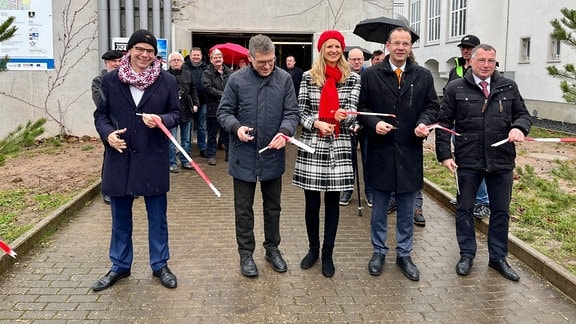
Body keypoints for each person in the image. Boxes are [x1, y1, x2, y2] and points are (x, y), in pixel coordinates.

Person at [92, 29, 180, 291]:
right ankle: (119, 265)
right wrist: (108, 135)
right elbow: (101, 116)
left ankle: (160, 264)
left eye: (150, 51)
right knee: (120, 216)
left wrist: (162, 120)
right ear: (129, 51)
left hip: (152, 156)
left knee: (157, 216)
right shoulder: (110, 81)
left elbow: (177, 114)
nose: (145, 55)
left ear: (156, 55)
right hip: (120, 157)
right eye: (140, 49)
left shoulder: (166, 81)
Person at [436, 44, 532, 281]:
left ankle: (498, 258)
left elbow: (523, 115)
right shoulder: (456, 88)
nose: (486, 65)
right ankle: (467, 254)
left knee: (500, 211)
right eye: (482, 60)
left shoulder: (508, 86)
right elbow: (444, 123)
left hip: (501, 161)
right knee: (465, 209)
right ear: (471, 61)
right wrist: (445, 155)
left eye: (491, 60)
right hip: (468, 160)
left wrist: (520, 128)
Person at [357, 27, 439, 281]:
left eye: (406, 43)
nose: (402, 47)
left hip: (409, 149)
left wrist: (424, 122)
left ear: (411, 47)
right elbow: (362, 107)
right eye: (397, 43)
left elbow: (432, 105)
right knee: (380, 208)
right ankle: (379, 251)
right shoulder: (371, 75)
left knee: (406, 209)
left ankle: (404, 254)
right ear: (388, 45)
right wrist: (373, 124)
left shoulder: (423, 75)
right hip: (381, 149)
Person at [218, 34, 300, 278]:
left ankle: (272, 248)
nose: (267, 66)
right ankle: (245, 253)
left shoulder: (284, 79)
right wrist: (236, 127)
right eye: (261, 61)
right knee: (243, 208)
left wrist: (285, 132)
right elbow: (224, 113)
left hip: (272, 155)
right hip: (243, 156)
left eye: (271, 61)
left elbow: (292, 113)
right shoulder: (236, 80)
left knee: (272, 207)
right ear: (250, 57)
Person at [292, 30, 361, 278]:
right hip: (313, 144)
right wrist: (315, 123)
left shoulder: (352, 78)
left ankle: (328, 254)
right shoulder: (309, 77)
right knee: (311, 203)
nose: (333, 50)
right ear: (321, 49)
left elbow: (352, 107)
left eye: (336, 46)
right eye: (328, 46)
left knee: (333, 202)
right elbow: (300, 110)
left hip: (339, 145)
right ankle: (313, 249)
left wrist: (345, 115)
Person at [445, 34, 490, 219]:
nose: (465, 50)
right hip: (457, 124)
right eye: (463, 47)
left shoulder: (485, 70)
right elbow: (449, 91)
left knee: (478, 162)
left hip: (478, 126)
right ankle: (464, 197)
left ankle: (482, 201)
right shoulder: (456, 69)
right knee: (461, 161)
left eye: (469, 47)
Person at [340, 47, 372, 207]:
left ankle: (370, 191)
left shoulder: (369, 75)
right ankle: (347, 190)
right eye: (354, 59)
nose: (357, 62)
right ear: (348, 60)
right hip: (348, 125)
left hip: (366, 124)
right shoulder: (344, 76)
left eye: (360, 59)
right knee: (348, 159)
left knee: (368, 159)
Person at [91, 49, 123, 205]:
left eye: (119, 61)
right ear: (106, 63)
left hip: (125, 125)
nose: (117, 64)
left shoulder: (126, 79)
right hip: (108, 126)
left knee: (126, 155)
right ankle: (108, 190)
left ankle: (125, 188)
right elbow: (100, 102)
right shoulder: (99, 81)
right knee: (110, 156)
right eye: (113, 62)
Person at [167, 51, 200, 173]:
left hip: (186, 110)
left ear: (182, 62)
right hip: (170, 112)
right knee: (172, 140)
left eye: (178, 60)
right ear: (170, 62)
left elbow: (193, 91)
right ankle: (172, 163)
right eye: (173, 60)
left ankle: (185, 161)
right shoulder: (164, 75)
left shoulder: (188, 74)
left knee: (186, 139)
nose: (176, 62)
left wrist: (196, 104)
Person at [202, 49, 232, 166]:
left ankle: (230, 155)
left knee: (227, 133)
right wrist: (224, 94)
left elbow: (234, 86)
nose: (218, 59)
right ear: (211, 59)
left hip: (227, 108)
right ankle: (211, 156)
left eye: (219, 56)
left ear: (222, 58)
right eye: (215, 57)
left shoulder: (230, 72)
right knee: (212, 134)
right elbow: (207, 88)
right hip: (213, 108)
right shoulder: (207, 73)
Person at [183, 47, 209, 158]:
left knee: (202, 126)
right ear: (190, 55)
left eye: (198, 55)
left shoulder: (206, 67)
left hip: (202, 101)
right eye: (194, 55)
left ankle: (203, 148)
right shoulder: (184, 67)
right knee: (188, 126)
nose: (196, 57)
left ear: (201, 56)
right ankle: (187, 150)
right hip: (188, 101)